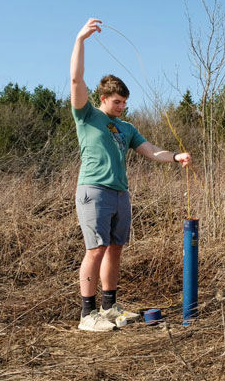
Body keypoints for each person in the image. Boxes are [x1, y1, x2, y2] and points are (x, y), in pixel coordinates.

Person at [70, 18, 192, 332]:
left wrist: (175, 156)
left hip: (119, 193)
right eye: (116, 101)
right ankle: (87, 315)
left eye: (125, 102)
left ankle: (109, 307)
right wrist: (81, 40)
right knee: (94, 249)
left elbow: (151, 150)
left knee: (114, 248)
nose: (122, 107)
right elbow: (75, 79)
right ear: (103, 99)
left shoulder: (127, 128)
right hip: (93, 190)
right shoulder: (88, 115)